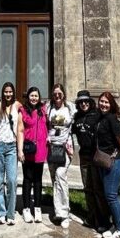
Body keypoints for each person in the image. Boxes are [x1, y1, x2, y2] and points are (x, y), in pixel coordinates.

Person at [95, 91, 120, 238]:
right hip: (105, 161)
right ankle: (115, 226)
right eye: (101, 101)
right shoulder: (101, 118)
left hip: (115, 161)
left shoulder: (112, 119)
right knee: (108, 195)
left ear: (111, 105)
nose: (103, 104)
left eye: (106, 102)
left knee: (112, 195)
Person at [71, 89, 111, 235]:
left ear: (90, 102)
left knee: (98, 189)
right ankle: (91, 216)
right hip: (84, 156)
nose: (83, 104)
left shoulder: (97, 115)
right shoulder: (77, 118)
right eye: (80, 102)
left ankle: (103, 220)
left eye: (86, 101)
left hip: (96, 156)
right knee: (87, 187)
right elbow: (68, 131)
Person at [0, 81, 23, 225]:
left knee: (12, 180)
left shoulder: (18, 106)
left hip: (11, 148)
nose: (8, 94)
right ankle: (1, 212)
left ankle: (10, 213)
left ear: (13, 92)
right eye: (5, 92)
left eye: (10, 92)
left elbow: (21, 126)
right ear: (2, 93)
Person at [45, 83, 75, 228]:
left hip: (65, 148)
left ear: (63, 94)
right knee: (54, 179)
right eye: (55, 93)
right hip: (51, 149)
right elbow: (43, 124)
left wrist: (71, 145)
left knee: (60, 175)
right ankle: (58, 210)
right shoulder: (48, 108)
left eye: (59, 93)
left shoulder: (70, 107)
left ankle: (64, 213)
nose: (57, 96)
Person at [19, 86, 48, 223]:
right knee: (27, 178)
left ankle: (37, 208)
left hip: (41, 149)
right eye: (32, 95)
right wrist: (20, 150)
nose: (34, 98)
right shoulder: (23, 111)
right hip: (28, 149)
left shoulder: (43, 110)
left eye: (36, 96)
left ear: (39, 97)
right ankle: (26, 209)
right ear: (28, 96)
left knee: (38, 179)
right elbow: (19, 130)